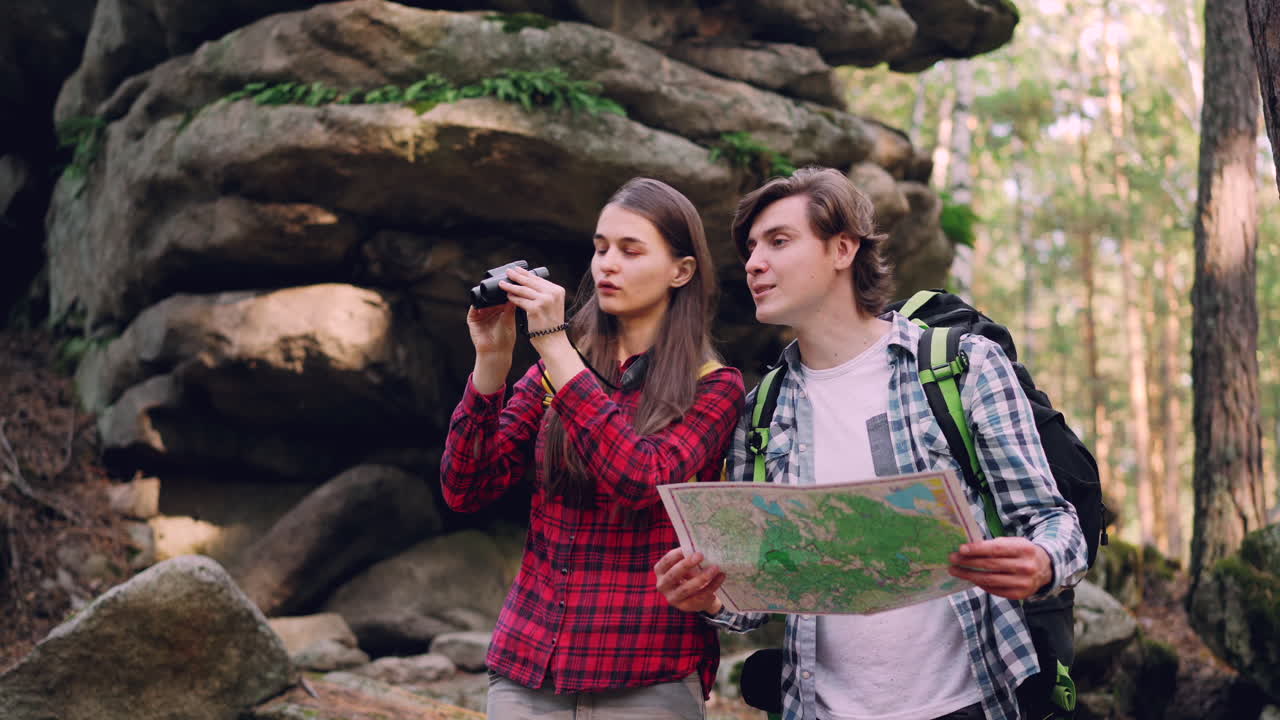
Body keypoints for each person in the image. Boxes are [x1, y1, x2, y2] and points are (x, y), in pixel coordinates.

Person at [653, 167, 1087, 720]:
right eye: (751, 248)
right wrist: (711, 596)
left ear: (843, 249)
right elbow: (754, 600)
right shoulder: (761, 411)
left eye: (778, 241)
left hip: (974, 700)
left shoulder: (962, 367)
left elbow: (1053, 521)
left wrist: (1042, 562)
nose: (755, 262)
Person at [441, 177, 745, 720]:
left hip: (646, 674)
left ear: (681, 271)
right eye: (601, 248)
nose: (608, 264)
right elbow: (466, 489)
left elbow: (641, 479)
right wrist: (491, 363)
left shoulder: (714, 387)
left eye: (631, 250)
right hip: (528, 667)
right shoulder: (554, 370)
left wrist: (556, 347)